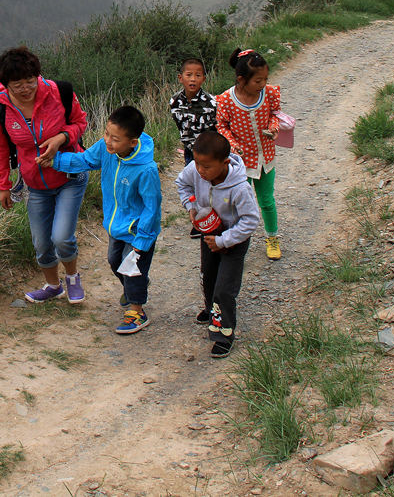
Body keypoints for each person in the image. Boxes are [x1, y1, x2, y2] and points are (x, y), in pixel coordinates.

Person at [40, 106, 161, 335]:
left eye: (115, 139)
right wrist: (55, 161)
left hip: (138, 232)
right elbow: (85, 160)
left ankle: (136, 311)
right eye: (106, 133)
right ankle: (137, 287)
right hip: (116, 226)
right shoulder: (107, 151)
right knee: (115, 262)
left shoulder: (146, 170)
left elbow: (152, 208)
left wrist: (143, 239)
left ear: (132, 142)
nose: (107, 140)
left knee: (133, 269)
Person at [0, 46, 89, 303]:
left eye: (30, 81)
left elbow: (80, 122)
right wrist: (3, 184)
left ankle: (73, 279)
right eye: (17, 84)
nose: (25, 88)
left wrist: (60, 139)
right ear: (5, 84)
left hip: (69, 176)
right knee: (42, 243)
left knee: (62, 237)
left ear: (38, 76)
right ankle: (53, 286)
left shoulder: (59, 93)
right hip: (35, 183)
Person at [175, 131, 260, 358]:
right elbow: (182, 184)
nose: (200, 171)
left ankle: (224, 334)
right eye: (197, 164)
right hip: (209, 234)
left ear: (224, 163)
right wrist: (191, 206)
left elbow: (251, 220)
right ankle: (211, 309)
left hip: (233, 240)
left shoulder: (240, 188)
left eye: (207, 167)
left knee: (225, 288)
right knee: (208, 276)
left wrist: (224, 240)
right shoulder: (195, 170)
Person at [215, 48, 283, 261]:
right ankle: (236, 244)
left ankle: (272, 238)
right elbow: (221, 126)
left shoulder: (269, 93)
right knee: (237, 205)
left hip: (264, 159)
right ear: (241, 80)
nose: (263, 84)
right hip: (240, 163)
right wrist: (233, 144)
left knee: (266, 201)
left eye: (265, 79)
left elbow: (274, 114)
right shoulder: (226, 100)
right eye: (258, 81)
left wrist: (273, 127)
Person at [169, 58, 217, 166]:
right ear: (180, 78)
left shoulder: (212, 103)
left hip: (209, 152)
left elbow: (217, 127)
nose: (193, 79)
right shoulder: (175, 101)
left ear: (204, 78)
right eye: (189, 75)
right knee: (191, 179)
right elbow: (179, 124)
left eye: (198, 75)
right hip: (189, 150)